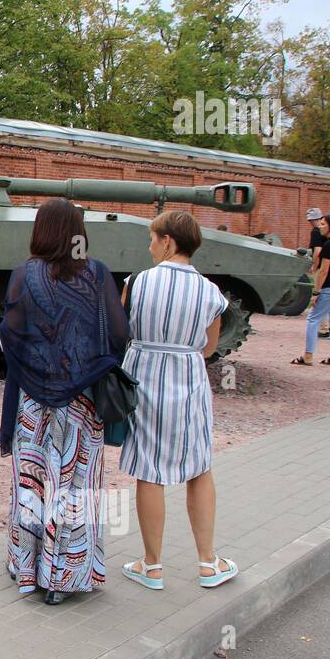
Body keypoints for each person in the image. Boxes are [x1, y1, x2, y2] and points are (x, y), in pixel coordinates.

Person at [0, 199, 128, 605]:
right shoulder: (99, 273)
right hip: (84, 401)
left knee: (33, 482)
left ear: (40, 230)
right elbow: (120, 335)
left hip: (33, 402)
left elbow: (10, 337)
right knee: (76, 487)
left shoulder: (24, 274)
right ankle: (63, 577)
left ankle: (28, 569)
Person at [119, 210, 238, 591]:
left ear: (168, 241)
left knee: (149, 471)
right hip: (188, 376)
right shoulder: (210, 292)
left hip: (145, 374)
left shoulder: (137, 282)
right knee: (199, 466)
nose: (149, 245)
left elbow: (122, 330)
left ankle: (151, 566)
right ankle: (208, 563)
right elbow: (210, 346)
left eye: (153, 238)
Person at [292, 214, 330, 367]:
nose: (320, 226)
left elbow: (324, 270)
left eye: (323, 224)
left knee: (313, 319)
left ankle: (308, 355)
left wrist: (316, 292)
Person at [304, 207, 330, 338]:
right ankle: (329, 327)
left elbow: (318, 251)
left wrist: (314, 265)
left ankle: (323, 328)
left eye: (311, 220)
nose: (310, 223)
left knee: (319, 297)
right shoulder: (329, 230)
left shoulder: (316, 232)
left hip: (322, 267)